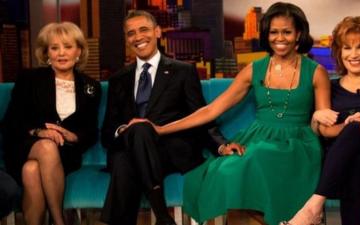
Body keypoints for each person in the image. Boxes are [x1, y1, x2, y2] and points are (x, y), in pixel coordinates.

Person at [133, 2, 337, 225]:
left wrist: (347, 126)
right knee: (225, 171)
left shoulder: (316, 72)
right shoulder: (253, 69)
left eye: (287, 32)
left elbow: (323, 120)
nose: (280, 38)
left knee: (261, 156)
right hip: (259, 137)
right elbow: (212, 110)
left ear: (299, 34)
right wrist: (161, 129)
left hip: (298, 144)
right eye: (274, 32)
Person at [100, 10, 228, 225]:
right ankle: (162, 216)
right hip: (133, 147)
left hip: (171, 149)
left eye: (144, 30)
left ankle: (158, 216)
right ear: (127, 39)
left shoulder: (183, 71)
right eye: (131, 33)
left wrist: (221, 146)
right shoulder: (118, 80)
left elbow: (201, 115)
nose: (138, 37)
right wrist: (124, 130)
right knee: (132, 143)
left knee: (128, 154)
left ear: (157, 32)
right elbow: (107, 131)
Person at [285, 16, 360, 225]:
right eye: (347, 48)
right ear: (339, 52)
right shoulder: (331, 87)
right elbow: (319, 131)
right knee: (357, 162)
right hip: (348, 157)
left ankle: (313, 207)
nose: (353, 55)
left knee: (357, 125)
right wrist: (315, 118)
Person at [2, 22, 101, 225]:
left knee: (31, 171)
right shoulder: (29, 79)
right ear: (47, 53)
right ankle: (59, 221)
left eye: (67, 47)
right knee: (46, 148)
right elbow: (11, 121)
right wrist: (39, 132)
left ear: (79, 52)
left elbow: (91, 131)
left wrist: (73, 136)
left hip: (66, 152)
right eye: (54, 48)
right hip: (25, 146)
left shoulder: (91, 86)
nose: (61, 53)